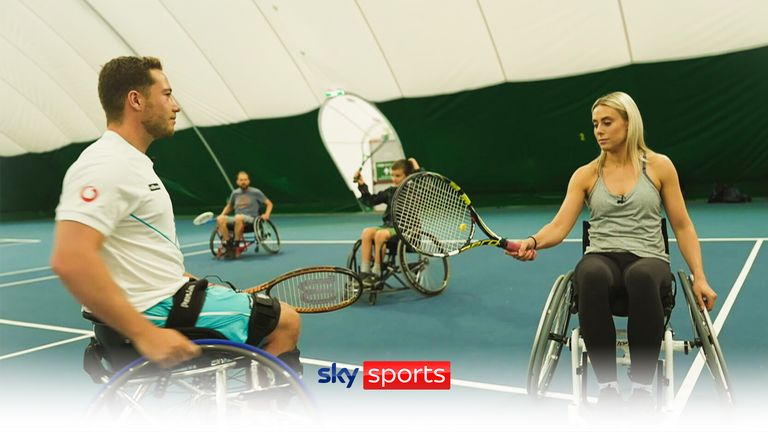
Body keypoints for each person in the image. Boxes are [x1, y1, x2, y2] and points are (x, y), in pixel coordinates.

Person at [50, 56, 301, 372]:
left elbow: (128, 250)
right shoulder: (107, 164)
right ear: (136, 100)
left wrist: (182, 280)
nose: (176, 105)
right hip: (153, 314)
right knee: (285, 322)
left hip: (162, 299)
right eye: (166, 94)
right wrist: (146, 335)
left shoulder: (130, 162)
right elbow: (70, 259)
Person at [509, 91, 717, 408]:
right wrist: (533, 241)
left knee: (643, 276)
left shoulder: (660, 167)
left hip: (648, 260)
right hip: (602, 258)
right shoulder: (586, 174)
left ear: (629, 123)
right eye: (595, 124)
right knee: (589, 273)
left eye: (607, 122)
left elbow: (683, 225)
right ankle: (607, 388)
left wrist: (699, 277)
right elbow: (559, 225)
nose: (599, 131)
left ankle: (642, 391)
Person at [354, 158, 420, 286]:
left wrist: (416, 168)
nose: (394, 178)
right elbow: (371, 201)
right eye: (392, 175)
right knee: (367, 232)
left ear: (407, 175)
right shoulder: (390, 191)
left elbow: (424, 180)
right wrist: (361, 184)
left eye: (398, 175)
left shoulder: (414, 189)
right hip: (389, 227)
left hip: (407, 230)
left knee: (381, 234)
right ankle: (364, 272)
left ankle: (377, 273)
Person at [215, 171, 273, 258]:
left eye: (245, 180)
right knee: (220, 219)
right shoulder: (235, 193)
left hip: (252, 220)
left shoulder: (256, 192)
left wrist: (267, 214)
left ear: (248, 181)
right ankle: (229, 245)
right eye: (241, 180)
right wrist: (222, 215)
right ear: (237, 182)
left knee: (239, 217)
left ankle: (236, 245)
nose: (243, 182)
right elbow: (229, 206)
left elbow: (269, 204)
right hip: (237, 219)